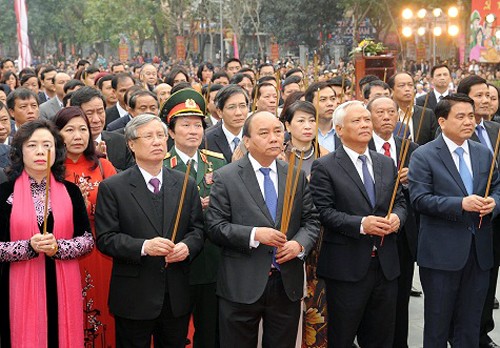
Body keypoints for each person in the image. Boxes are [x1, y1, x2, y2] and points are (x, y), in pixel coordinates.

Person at [206, 111, 320, 348]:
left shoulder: (295, 175)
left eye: (278, 132)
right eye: (264, 133)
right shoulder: (226, 177)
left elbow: (311, 220)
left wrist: (299, 244)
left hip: (285, 282)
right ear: (246, 141)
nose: (274, 138)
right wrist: (253, 235)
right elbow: (215, 227)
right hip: (241, 284)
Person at [95, 114, 205, 347]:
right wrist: (144, 247)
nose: (157, 141)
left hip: (176, 295)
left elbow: (197, 230)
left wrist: (186, 247)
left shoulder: (185, 182)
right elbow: (106, 239)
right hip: (134, 295)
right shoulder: (113, 187)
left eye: (160, 135)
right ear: (131, 144)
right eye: (148, 136)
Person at [309, 100, 406, 347]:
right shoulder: (326, 166)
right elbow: (323, 212)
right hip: (346, 268)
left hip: (385, 265)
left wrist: (397, 217)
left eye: (366, 120)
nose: (364, 125)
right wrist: (362, 224)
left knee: (381, 337)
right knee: (341, 337)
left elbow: (401, 202)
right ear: (339, 129)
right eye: (357, 121)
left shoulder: (385, 162)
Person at [408, 93, 500, 347]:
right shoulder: (424, 155)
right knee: (437, 324)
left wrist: (494, 204)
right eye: (460, 117)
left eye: (471, 116)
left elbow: (497, 187)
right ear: (442, 121)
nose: (468, 122)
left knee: (470, 325)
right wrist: (460, 203)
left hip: (479, 253)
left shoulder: (483, 153)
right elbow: (419, 199)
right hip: (441, 254)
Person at [0, 119, 94, 347]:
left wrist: (59, 247)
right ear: (20, 151)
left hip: (64, 285)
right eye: (32, 145)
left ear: (56, 151)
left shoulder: (71, 191)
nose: (40, 151)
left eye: (47, 145)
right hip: (16, 288)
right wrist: (28, 247)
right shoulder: (4, 192)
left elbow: (87, 240)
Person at [161, 89, 226, 348]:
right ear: (171, 132)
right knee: (174, 334)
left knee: (210, 333)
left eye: (198, 125)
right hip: (177, 263)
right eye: (185, 125)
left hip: (212, 262)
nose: (193, 131)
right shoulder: (163, 165)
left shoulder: (219, 163)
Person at [53, 106, 117, 347]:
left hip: (102, 251)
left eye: (83, 129)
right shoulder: (50, 170)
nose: (78, 136)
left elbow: (118, 211)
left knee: (103, 308)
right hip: (65, 253)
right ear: (56, 134)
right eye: (69, 130)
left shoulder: (104, 167)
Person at [366, 96, 419, 348]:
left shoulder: (412, 148)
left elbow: (424, 192)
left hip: (403, 235)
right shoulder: (361, 148)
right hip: (369, 237)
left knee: (400, 300)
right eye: (380, 112)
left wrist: (413, 181)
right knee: (372, 301)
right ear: (369, 117)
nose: (386, 116)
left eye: (391, 112)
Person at [203, 85, 249, 163]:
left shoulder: (254, 135)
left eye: (242, 106)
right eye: (231, 107)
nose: (238, 113)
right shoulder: (206, 140)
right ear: (219, 112)